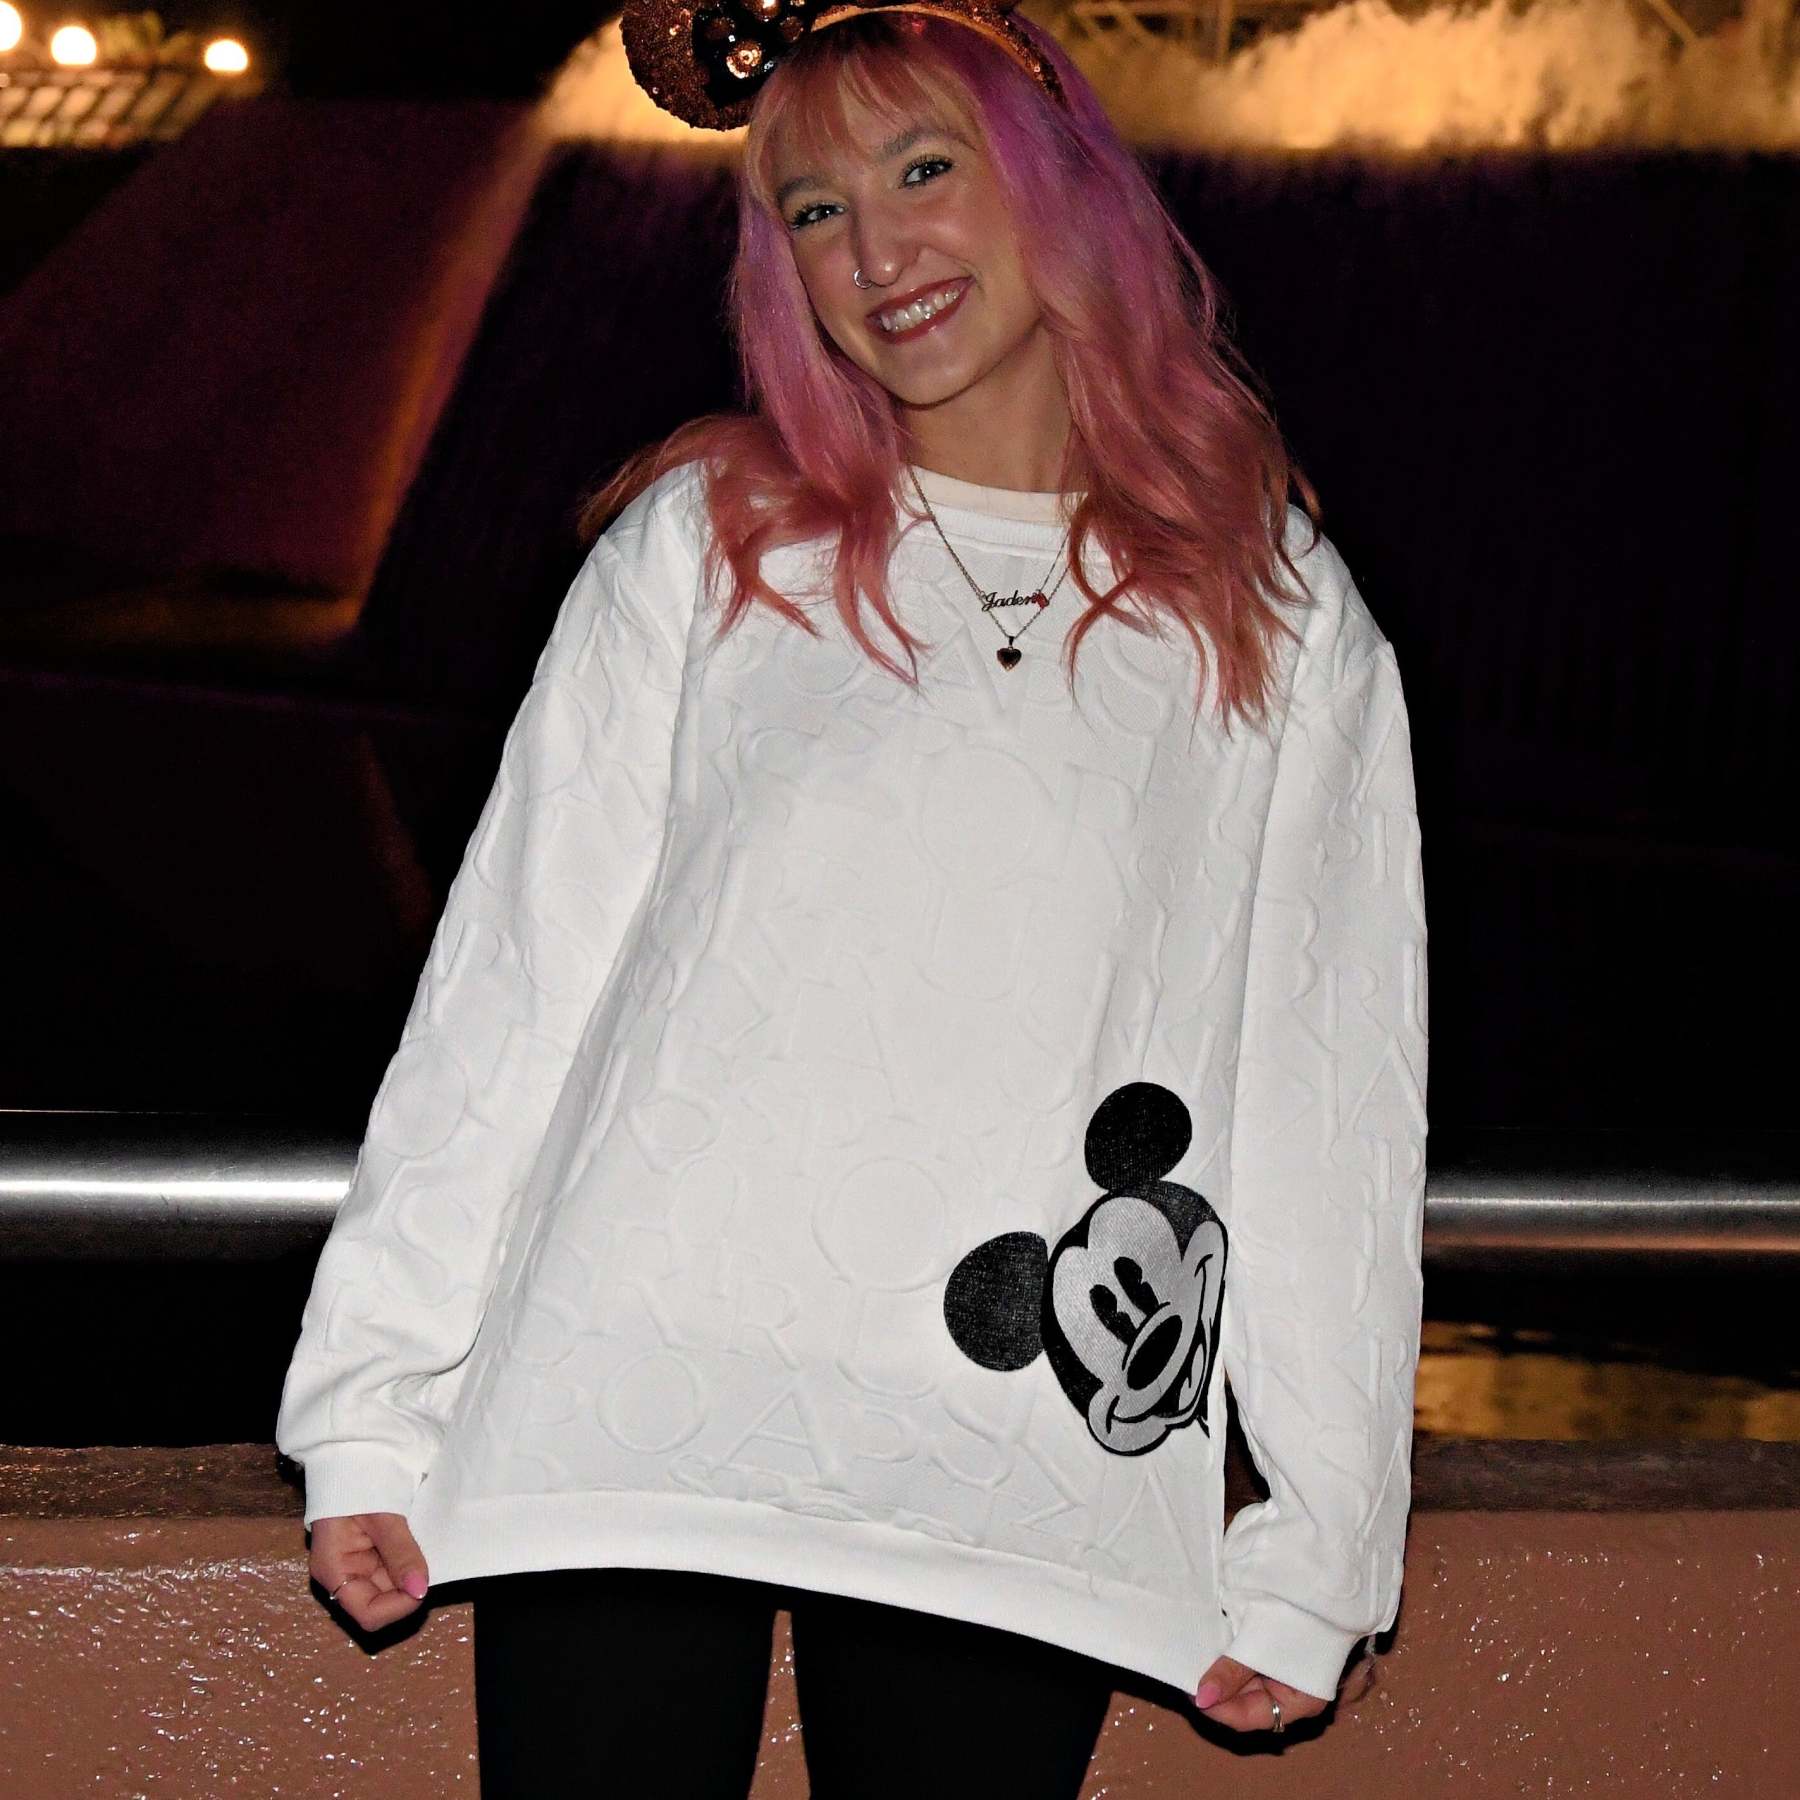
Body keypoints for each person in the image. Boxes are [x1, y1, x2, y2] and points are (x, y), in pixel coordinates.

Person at [276, 1, 1429, 1792]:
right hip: (630, 1398)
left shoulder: (1269, 609)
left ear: (1057, 190)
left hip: (1007, 1445)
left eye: (922, 170)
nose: (877, 251)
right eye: (813, 210)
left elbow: (1330, 1087)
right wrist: (369, 1400)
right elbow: (511, 991)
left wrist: (1321, 1540)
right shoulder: (709, 547)